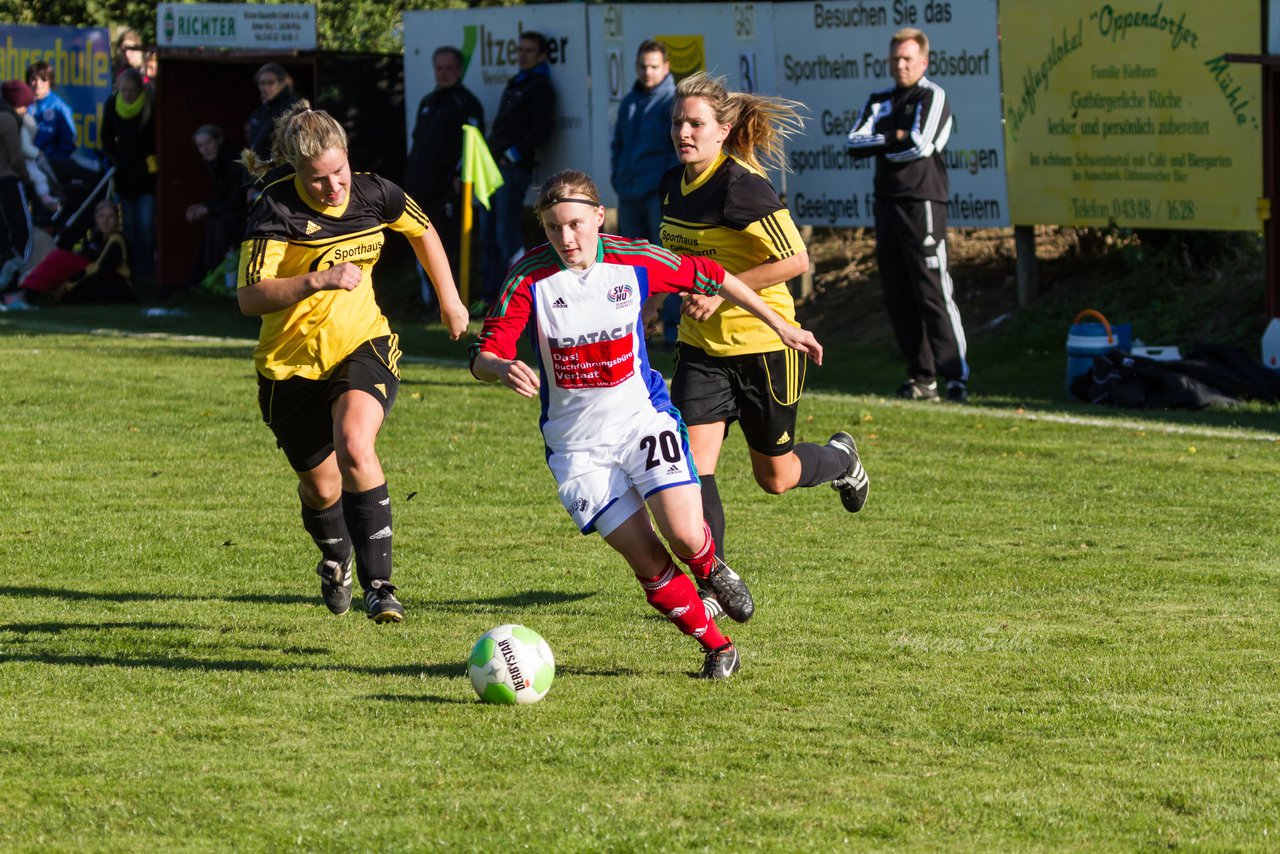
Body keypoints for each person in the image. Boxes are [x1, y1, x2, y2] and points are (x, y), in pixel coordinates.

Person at [470, 170, 824, 679]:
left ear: (598, 217)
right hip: (577, 450)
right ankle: (718, 647)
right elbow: (486, 353)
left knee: (684, 533)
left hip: (641, 421)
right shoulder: (528, 276)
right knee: (646, 559)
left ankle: (711, 568)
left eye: (574, 224)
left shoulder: (635, 260)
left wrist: (783, 326)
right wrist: (501, 368)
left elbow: (715, 275)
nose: (565, 239)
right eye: (551, 228)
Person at [237, 102, 469, 623]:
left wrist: (449, 299)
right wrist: (317, 278)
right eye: (318, 180)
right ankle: (335, 556)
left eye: (339, 172)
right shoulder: (275, 209)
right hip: (288, 368)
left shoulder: (373, 191)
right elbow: (250, 298)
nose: (334, 188)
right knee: (321, 488)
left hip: (363, 344)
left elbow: (423, 230)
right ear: (296, 171)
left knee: (355, 445)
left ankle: (381, 586)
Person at [660, 72, 869, 611]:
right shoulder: (672, 184)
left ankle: (842, 460)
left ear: (723, 130)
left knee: (775, 477)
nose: (685, 131)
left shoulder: (742, 187)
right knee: (691, 465)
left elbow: (797, 261)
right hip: (702, 350)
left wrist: (723, 294)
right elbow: (680, 264)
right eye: (679, 121)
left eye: (696, 123)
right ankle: (712, 586)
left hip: (764, 348)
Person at [847, 27, 970, 403]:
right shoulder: (880, 100)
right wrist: (892, 136)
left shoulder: (932, 96)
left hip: (924, 202)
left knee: (932, 288)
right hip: (886, 202)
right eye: (896, 58)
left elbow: (920, 145)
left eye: (908, 59)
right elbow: (854, 142)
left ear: (924, 62)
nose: (901, 65)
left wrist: (887, 141)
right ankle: (922, 378)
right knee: (898, 292)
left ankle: (955, 377)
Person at [479, 30, 557, 311]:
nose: (522, 55)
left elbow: (542, 128)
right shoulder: (516, 82)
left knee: (505, 234)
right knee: (488, 232)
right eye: (520, 50)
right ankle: (491, 297)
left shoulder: (540, 86)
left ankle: (518, 298)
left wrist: (513, 155)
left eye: (528, 51)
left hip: (513, 170)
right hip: (492, 169)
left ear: (540, 56)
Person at [404, 45, 484, 305]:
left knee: (446, 248)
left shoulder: (468, 104)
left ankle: (452, 303)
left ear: (460, 70)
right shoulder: (428, 101)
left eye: (449, 68)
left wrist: (458, 177)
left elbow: (473, 146)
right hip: (419, 190)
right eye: (439, 68)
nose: (444, 73)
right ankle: (429, 302)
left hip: (447, 192)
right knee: (421, 246)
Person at [16, 199, 132, 306]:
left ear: (117, 220)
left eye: (110, 217)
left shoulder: (116, 239)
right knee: (58, 257)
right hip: (96, 279)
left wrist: (71, 283)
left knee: (59, 258)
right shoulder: (96, 238)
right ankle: (25, 290)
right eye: (101, 216)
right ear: (96, 219)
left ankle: (26, 293)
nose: (106, 221)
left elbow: (100, 268)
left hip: (113, 284)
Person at [100, 68, 156, 285]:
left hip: (145, 176)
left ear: (139, 90)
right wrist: (116, 158)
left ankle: (148, 270)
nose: (128, 95)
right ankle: (131, 270)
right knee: (129, 226)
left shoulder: (149, 105)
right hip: (124, 175)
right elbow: (106, 137)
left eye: (132, 91)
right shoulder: (113, 105)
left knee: (146, 226)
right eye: (124, 90)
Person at [181, 124, 245, 292]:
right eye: (200, 146)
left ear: (219, 140)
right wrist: (204, 207)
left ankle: (215, 276)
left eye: (208, 143)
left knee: (217, 226)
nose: (205, 149)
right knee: (210, 225)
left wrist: (207, 210)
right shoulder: (217, 162)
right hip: (229, 214)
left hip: (242, 217)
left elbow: (237, 200)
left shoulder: (231, 161)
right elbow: (221, 197)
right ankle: (206, 277)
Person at [0, 80, 34, 297]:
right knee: (23, 234)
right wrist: (27, 179)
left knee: (3, 236)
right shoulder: (8, 120)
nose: (27, 109)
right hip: (9, 183)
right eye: (25, 105)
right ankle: (15, 283)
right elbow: (16, 158)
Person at [246, 63, 299, 165]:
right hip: (258, 168)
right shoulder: (260, 111)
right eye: (262, 83)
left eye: (270, 82)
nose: (265, 87)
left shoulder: (293, 107)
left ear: (282, 83)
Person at [25, 62, 77, 164]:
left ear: (50, 81)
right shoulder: (24, 105)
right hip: (25, 162)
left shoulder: (60, 108)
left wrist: (51, 160)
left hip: (49, 165)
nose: (38, 84)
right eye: (33, 79)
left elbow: (69, 142)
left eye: (43, 79)